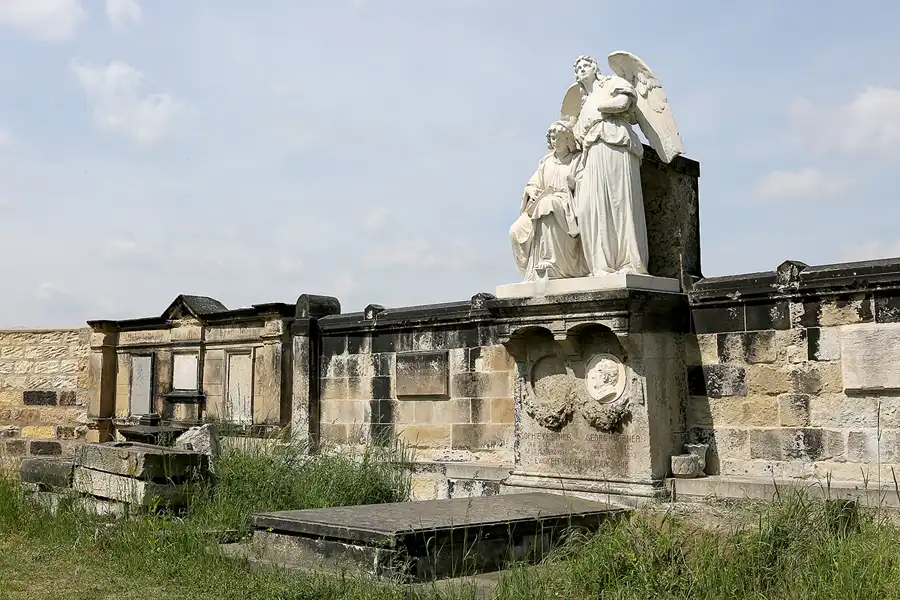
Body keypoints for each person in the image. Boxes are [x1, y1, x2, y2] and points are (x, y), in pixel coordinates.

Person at [570, 55, 650, 276]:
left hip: (614, 141)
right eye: (577, 69)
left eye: (585, 65)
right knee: (592, 208)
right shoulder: (585, 103)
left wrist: (602, 108)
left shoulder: (612, 83)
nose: (581, 70)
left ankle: (628, 261)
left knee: (619, 201)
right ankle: (601, 264)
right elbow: (577, 135)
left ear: (595, 67)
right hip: (592, 152)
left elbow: (625, 102)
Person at [509, 120, 589, 282]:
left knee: (548, 205)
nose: (555, 142)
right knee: (516, 229)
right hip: (540, 204)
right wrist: (530, 189)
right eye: (553, 139)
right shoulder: (546, 162)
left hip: (567, 205)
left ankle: (552, 262)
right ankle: (533, 267)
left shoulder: (577, 160)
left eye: (559, 138)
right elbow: (534, 183)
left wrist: (574, 185)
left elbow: (586, 184)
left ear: (568, 140)